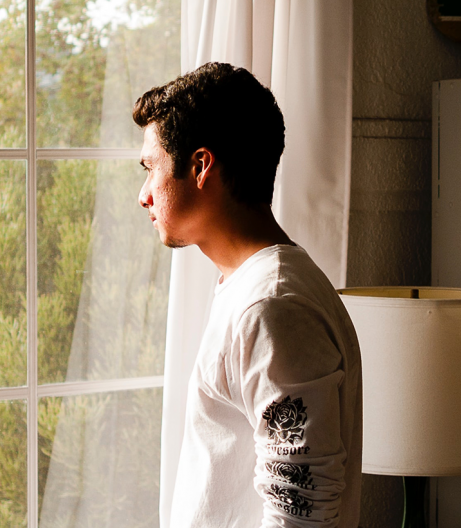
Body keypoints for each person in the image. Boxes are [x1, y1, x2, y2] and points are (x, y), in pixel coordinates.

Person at [134, 62, 362, 527]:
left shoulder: (273, 306)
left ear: (200, 166)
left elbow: (301, 513)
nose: (144, 195)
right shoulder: (257, 288)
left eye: (150, 168)